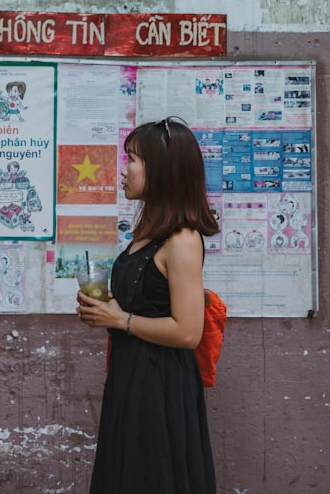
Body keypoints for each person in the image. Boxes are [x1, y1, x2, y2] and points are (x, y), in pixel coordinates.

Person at [76, 116, 219, 494]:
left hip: (160, 387)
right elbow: (144, 305)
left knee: (152, 477)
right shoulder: (145, 236)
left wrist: (120, 319)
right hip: (130, 376)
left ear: (161, 170)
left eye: (133, 160)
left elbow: (188, 332)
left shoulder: (183, 240)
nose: (124, 171)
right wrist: (106, 310)